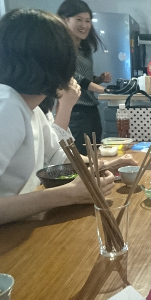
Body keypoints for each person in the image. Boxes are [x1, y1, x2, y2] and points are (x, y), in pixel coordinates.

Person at [0, 9, 115, 225]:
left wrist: (105, 166)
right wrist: (68, 194)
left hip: (22, 227)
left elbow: (59, 159)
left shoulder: (32, 107)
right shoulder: (7, 106)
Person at [57, 0, 112, 154]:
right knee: (78, 156)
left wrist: (98, 79)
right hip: (75, 110)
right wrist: (100, 88)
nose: (84, 25)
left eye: (88, 21)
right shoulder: (62, 48)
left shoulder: (83, 48)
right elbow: (73, 77)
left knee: (94, 153)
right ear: (64, 20)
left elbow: (84, 77)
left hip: (91, 109)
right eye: (78, 20)